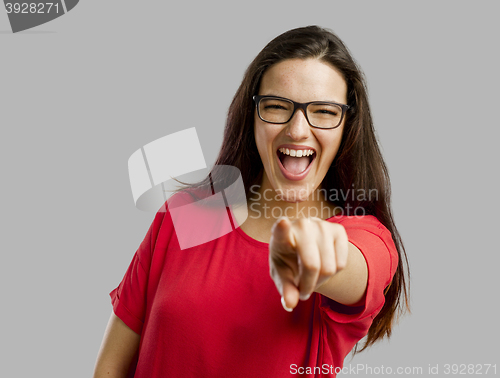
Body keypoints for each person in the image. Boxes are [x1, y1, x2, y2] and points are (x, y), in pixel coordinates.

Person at [93, 25, 409, 378]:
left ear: (347, 126)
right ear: (252, 115)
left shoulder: (364, 237)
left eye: (323, 111)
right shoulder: (188, 215)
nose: (298, 130)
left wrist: (317, 256)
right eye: (277, 107)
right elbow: (110, 369)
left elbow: (356, 268)